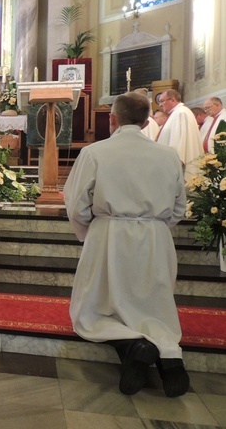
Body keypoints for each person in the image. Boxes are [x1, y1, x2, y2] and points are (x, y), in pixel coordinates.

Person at [64, 92, 189, 398]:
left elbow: (76, 204)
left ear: (112, 119)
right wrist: (153, 227)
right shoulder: (169, 155)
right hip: (155, 239)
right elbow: (179, 208)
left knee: (93, 312)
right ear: (147, 121)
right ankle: (170, 358)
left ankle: (134, 345)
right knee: (153, 306)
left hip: (109, 238)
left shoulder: (96, 153)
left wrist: (90, 232)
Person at [155, 89, 203, 181]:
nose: (160, 105)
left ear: (173, 100)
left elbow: (179, 145)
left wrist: (173, 168)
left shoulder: (181, 113)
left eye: (162, 101)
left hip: (178, 169)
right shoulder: (176, 113)